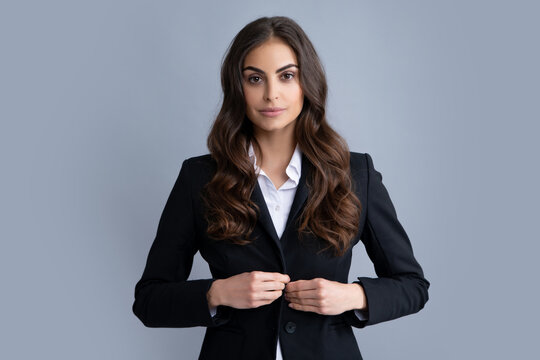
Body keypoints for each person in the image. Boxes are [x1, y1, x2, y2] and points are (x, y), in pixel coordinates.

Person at [132, 15, 430, 360]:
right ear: (237, 87)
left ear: (307, 82)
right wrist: (217, 293)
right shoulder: (199, 177)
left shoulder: (354, 173)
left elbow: (412, 286)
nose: (271, 94)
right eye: (255, 79)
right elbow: (149, 301)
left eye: (286, 76)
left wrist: (353, 297)